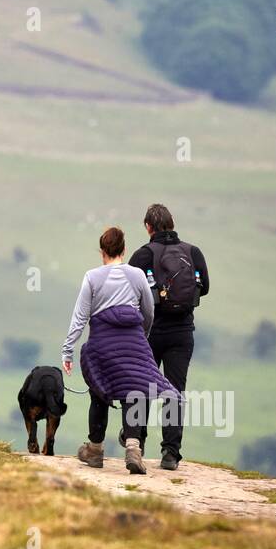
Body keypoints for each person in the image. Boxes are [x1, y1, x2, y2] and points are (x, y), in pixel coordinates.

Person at [61, 226, 177, 475]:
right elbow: (149, 311)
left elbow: (80, 318)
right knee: (133, 392)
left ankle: (94, 450)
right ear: (124, 249)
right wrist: (140, 338)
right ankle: (133, 449)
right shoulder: (137, 276)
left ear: (102, 251)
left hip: (101, 344)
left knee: (99, 392)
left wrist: (67, 351)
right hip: (133, 340)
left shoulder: (92, 277)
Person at [127, 203, 209, 471]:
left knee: (141, 388)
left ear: (148, 227)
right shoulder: (192, 252)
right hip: (182, 333)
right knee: (174, 391)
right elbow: (203, 288)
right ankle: (171, 453)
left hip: (148, 333)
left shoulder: (142, 256)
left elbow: (128, 293)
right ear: (172, 225)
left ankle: (135, 444)